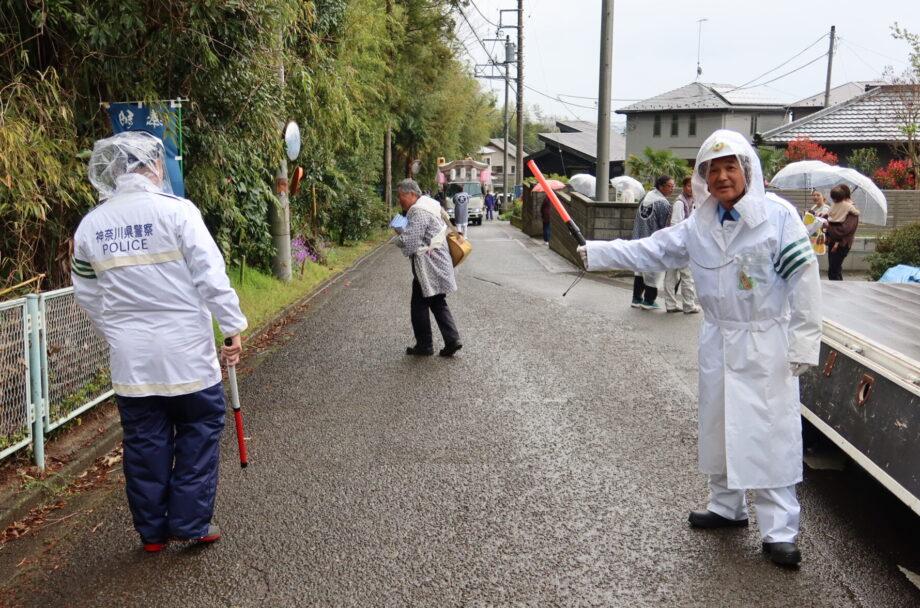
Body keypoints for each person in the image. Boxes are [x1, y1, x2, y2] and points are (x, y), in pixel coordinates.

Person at [577, 129, 822, 568]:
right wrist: (597, 251)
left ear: (747, 170)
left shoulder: (778, 216)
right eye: (714, 169)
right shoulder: (699, 224)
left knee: (768, 434)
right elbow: (649, 251)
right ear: (703, 176)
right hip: (717, 338)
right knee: (719, 425)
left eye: (731, 167)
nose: (723, 177)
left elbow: (805, 282)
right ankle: (727, 506)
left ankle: (779, 530)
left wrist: (804, 340)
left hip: (764, 340)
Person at [71, 131, 247, 552]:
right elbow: (210, 275)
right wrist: (232, 326)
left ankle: (151, 535)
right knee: (198, 432)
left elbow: (87, 294)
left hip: (132, 360)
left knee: (145, 443)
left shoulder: (91, 225)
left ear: (114, 171)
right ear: (152, 166)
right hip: (187, 354)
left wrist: (116, 333)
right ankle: (190, 523)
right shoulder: (178, 212)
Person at [394, 179, 462, 357]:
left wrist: (399, 235)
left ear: (412, 194)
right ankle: (451, 340)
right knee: (436, 302)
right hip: (438, 262)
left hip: (429, 266)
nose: (399, 200)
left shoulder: (418, 211)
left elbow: (410, 243)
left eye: (401, 196)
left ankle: (426, 345)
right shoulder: (430, 204)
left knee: (420, 305)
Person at [629, 175, 673, 310]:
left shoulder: (646, 197)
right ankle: (648, 300)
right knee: (655, 271)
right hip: (653, 242)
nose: (672, 189)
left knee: (640, 270)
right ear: (661, 186)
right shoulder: (663, 204)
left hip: (639, 239)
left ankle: (636, 298)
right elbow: (665, 226)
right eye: (670, 186)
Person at [663, 176, 700, 314]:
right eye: (689, 186)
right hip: (680, 244)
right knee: (686, 276)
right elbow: (675, 224)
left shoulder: (691, 201)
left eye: (693, 186)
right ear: (684, 186)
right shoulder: (680, 202)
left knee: (672, 275)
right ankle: (689, 305)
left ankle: (671, 304)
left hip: (677, 243)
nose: (691, 189)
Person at [825, 184, 860, 281]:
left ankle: (835, 291)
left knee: (833, 270)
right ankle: (838, 290)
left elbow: (844, 229)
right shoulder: (837, 206)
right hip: (833, 242)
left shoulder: (851, 209)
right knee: (835, 269)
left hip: (843, 243)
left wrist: (829, 227)